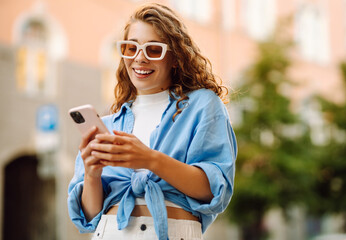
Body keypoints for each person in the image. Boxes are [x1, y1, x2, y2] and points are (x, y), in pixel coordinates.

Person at [68, 3, 237, 240]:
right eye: (131, 47)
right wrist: (91, 175)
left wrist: (149, 159)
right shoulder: (109, 124)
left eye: (153, 50)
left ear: (176, 57)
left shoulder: (202, 105)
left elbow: (214, 190)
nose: (139, 58)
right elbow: (90, 217)